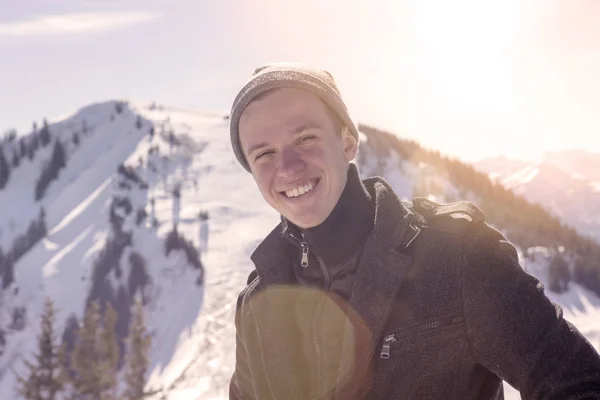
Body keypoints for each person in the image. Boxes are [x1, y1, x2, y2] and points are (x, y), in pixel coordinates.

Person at [227, 62, 600, 400]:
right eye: (264, 154)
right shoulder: (256, 303)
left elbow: (579, 384)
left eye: (304, 138)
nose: (288, 167)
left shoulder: (456, 255)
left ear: (347, 142)